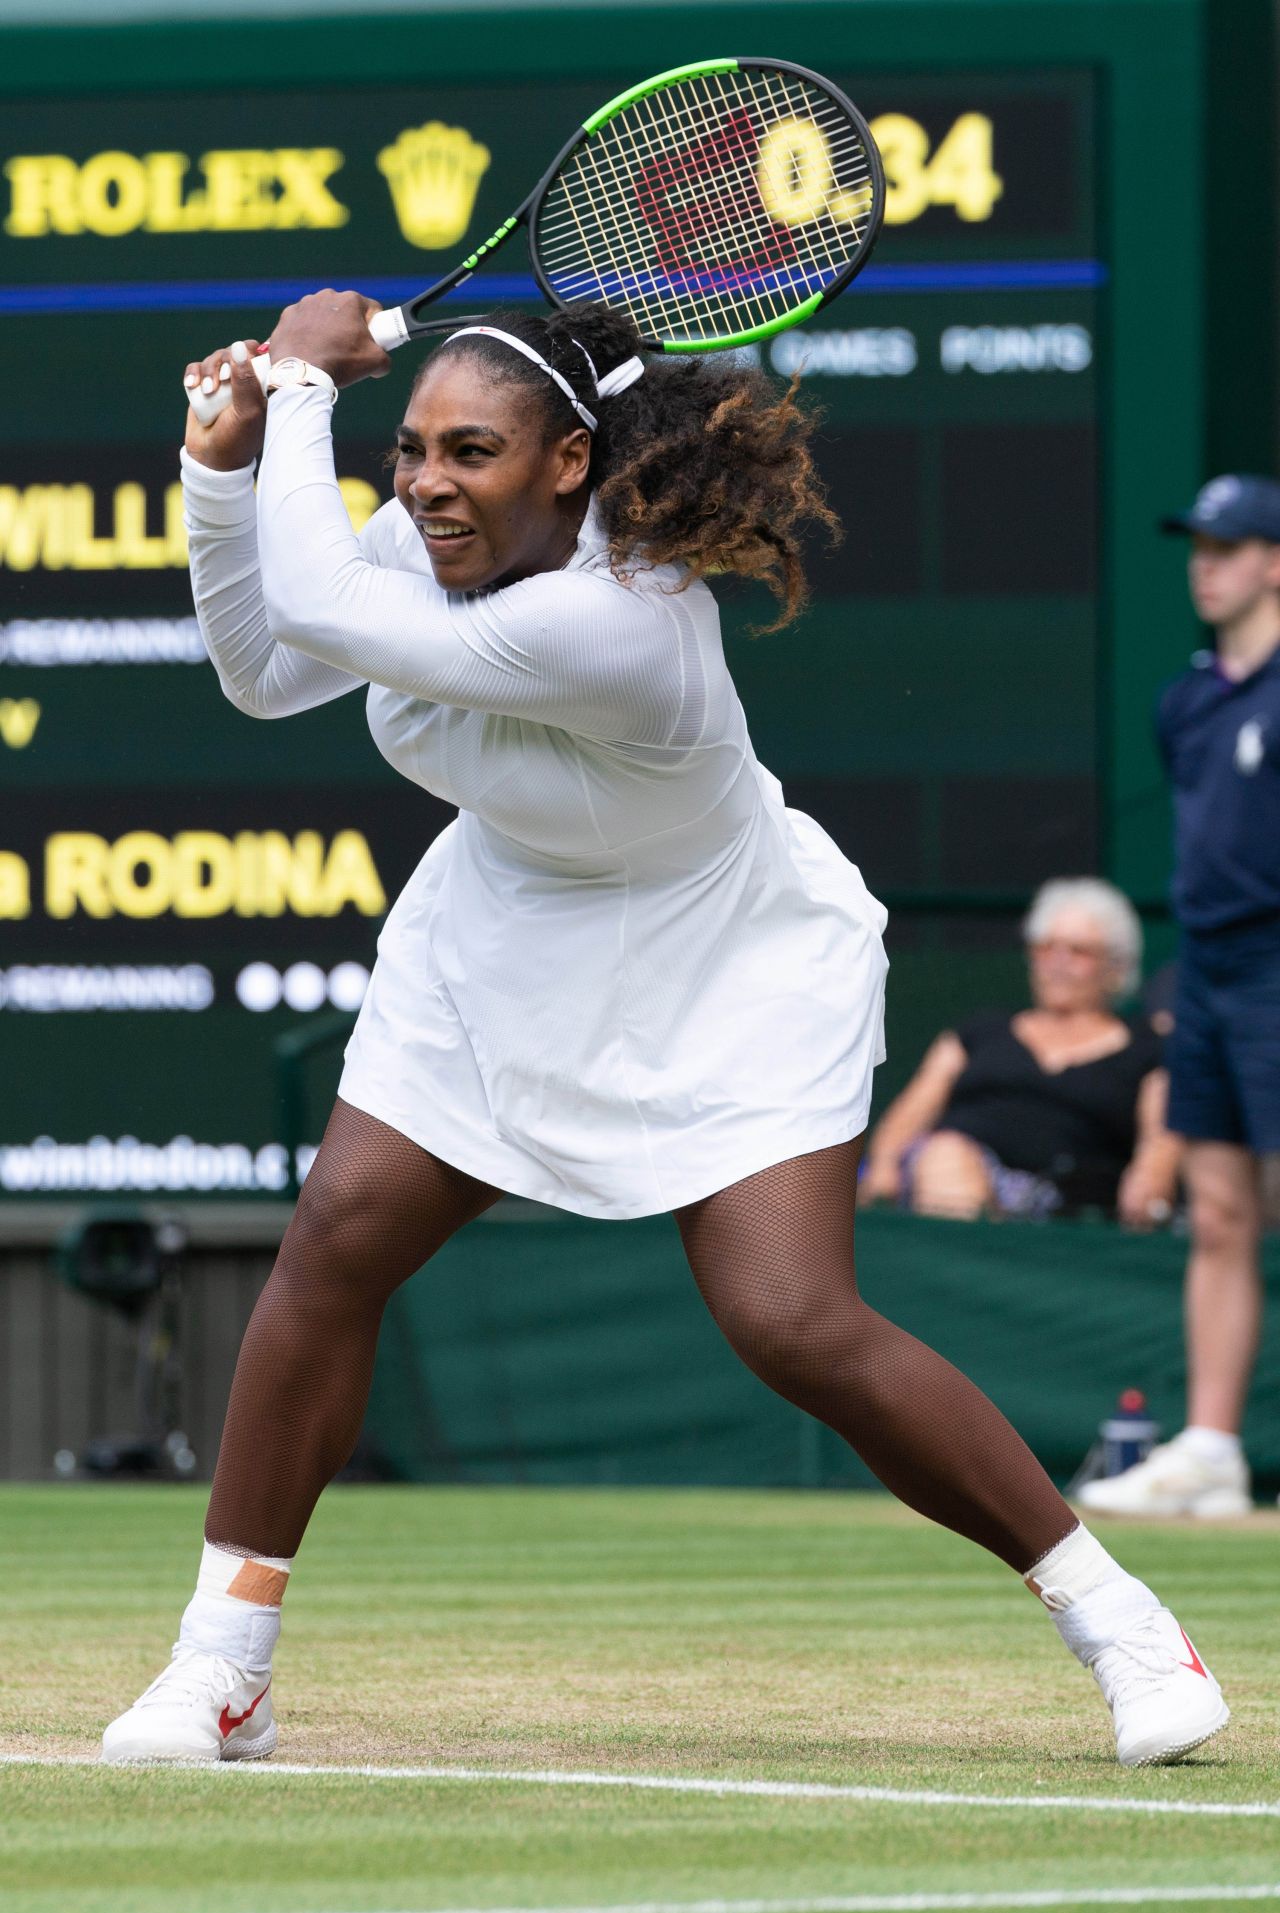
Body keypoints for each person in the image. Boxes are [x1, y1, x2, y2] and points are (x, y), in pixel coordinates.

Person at [102, 292, 1228, 1768]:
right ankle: (221, 1667)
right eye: (415, 449)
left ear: (569, 463)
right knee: (336, 1240)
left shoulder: (621, 622)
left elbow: (314, 610)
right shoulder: (418, 549)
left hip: (729, 961)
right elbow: (267, 667)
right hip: (503, 936)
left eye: (473, 451)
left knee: (794, 1324)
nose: (429, 480)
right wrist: (221, 465)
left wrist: (306, 384)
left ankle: (1122, 1622)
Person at [1079, 474, 1280, 1520]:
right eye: (1194, 545)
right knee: (1215, 1211)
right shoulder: (1186, 700)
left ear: (1273, 563)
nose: (1203, 563)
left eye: (1226, 545)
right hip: (1206, 970)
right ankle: (1209, 1449)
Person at [862, 878, 1180, 1225]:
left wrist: (1152, 1178)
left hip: (1074, 1206)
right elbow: (911, 1112)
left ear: (1116, 967)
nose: (1057, 963)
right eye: (1046, 948)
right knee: (945, 1152)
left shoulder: (1148, 1047)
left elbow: (1160, 1138)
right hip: (950, 1179)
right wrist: (884, 1163)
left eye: (1078, 951)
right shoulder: (981, 1032)